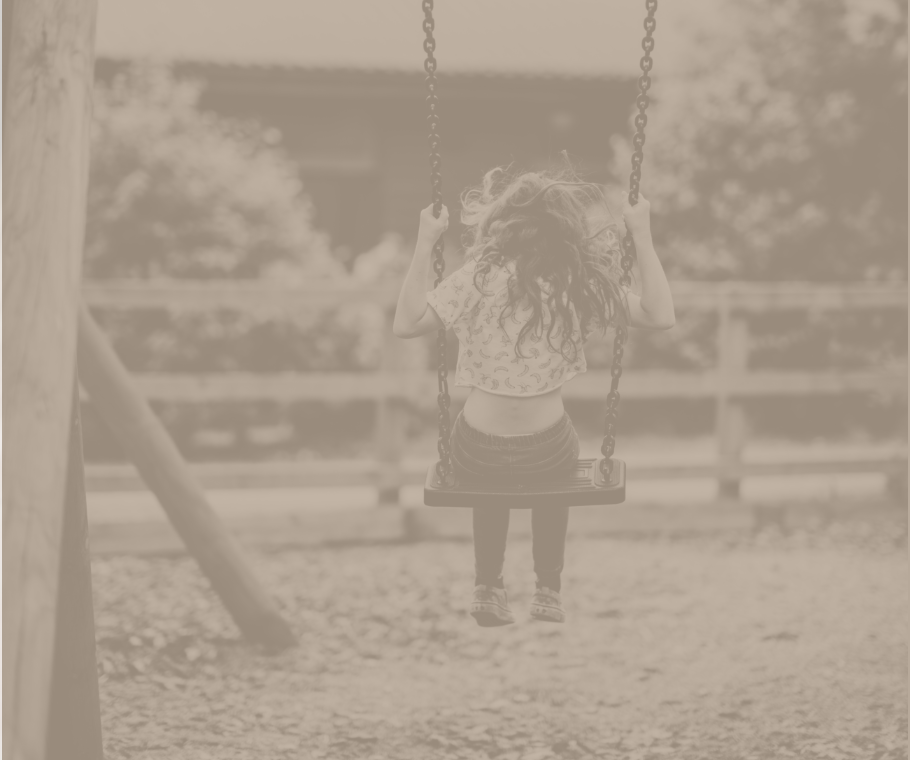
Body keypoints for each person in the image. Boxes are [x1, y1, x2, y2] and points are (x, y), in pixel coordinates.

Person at [393, 166, 675, 626]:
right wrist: (641, 234)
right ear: (566, 230)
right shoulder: (575, 282)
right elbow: (659, 315)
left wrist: (425, 242)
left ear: (500, 224)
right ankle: (548, 588)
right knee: (555, 474)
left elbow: (405, 324)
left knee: (486, 483)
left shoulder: (477, 280)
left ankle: (488, 585)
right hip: (547, 449)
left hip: (476, 448)